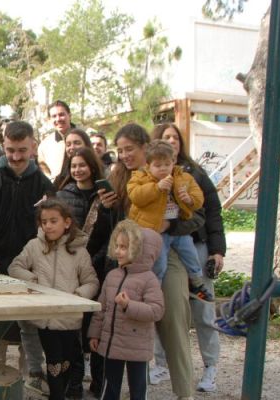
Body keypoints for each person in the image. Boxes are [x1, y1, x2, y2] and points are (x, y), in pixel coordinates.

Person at [105, 122, 200, 400]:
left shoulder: (177, 172)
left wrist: (170, 226)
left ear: (145, 147)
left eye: (130, 149)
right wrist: (105, 205)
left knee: (173, 320)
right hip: (131, 258)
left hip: (167, 252)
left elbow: (200, 216)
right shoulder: (118, 176)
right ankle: (139, 389)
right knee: (131, 321)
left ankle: (185, 391)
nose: (125, 155)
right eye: (120, 150)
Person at [151, 123, 226, 392]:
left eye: (175, 137)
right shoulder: (149, 175)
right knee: (166, 306)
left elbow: (212, 211)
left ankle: (210, 366)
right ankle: (161, 363)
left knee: (203, 307)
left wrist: (218, 250)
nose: (171, 141)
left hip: (197, 244)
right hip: (165, 248)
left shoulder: (194, 173)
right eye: (166, 137)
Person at [8, 199, 99, 400]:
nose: (48, 226)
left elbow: (92, 282)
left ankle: (64, 394)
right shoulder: (34, 246)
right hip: (46, 318)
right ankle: (56, 396)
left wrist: (78, 296)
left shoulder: (79, 251)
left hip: (70, 318)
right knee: (54, 362)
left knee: (68, 362)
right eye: (44, 222)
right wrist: (33, 280)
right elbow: (15, 267)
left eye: (53, 221)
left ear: (67, 222)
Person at [0, 120, 52, 396]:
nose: (15, 157)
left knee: (30, 323)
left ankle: (32, 377)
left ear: (33, 147)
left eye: (22, 150)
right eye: (10, 150)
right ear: (3, 146)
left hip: (30, 265)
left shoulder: (44, 184)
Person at [56, 146, 112, 398]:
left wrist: (93, 260)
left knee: (96, 328)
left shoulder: (106, 196)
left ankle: (100, 383)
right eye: (74, 166)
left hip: (98, 269)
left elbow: (111, 233)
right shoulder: (63, 195)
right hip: (70, 271)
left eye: (82, 165)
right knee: (72, 332)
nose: (78, 170)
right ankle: (73, 385)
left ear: (92, 166)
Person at [127, 139, 213, 302]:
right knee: (160, 263)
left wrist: (189, 199)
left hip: (177, 228)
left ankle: (196, 283)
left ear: (174, 162)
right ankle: (154, 292)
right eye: (158, 165)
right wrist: (157, 187)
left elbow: (199, 199)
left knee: (191, 254)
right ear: (148, 165)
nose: (163, 168)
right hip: (154, 230)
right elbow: (136, 196)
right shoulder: (140, 178)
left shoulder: (184, 177)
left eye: (167, 164)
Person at [88, 220, 165, 400]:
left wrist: (128, 306)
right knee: (109, 387)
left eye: (124, 247)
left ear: (140, 250)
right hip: (112, 344)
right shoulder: (112, 275)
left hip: (137, 348)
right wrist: (95, 334)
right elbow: (101, 309)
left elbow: (156, 311)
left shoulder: (149, 279)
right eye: (117, 246)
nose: (117, 251)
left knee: (137, 390)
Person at [38, 100, 75, 179]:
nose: (58, 119)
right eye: (54, 116)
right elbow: (44, 171)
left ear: (69, 115)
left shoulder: (86, 138)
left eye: (61, 115)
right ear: (50, 119)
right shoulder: (45, 145)